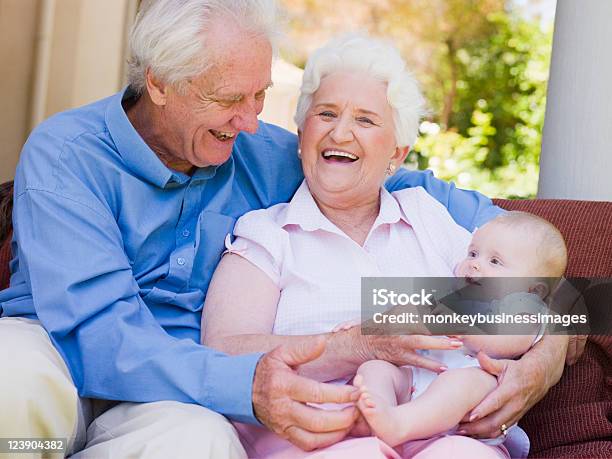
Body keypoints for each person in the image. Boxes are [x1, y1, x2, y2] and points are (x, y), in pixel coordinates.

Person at [0, 1, 518, 457]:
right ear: (158, 82)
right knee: (12, 389)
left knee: (197, 443)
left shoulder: (264, 153)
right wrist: (250, 383)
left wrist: (551, 347)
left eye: (260, 96)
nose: (250, 122)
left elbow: (388, 175)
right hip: (60, 364)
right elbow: (99, 335)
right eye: (230, 99)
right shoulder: (66, 155)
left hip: (170, 399)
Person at [201, 34, 572, 458]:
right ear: (302, 135)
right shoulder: (267, 234)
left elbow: (540, 287)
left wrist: (544, 358)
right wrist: (356, 344)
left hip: (445, 430)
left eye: (365, 120)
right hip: (319, 435)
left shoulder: (428, 215)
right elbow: (223, 353)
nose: (340, 132)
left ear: (397, 153)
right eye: (326, 114)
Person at [352, 211, 568, 453]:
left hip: (470, 396)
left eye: (495, 261)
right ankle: (377, 414)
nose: (474, 263)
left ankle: (398, 425)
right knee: (376, 370)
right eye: (473, 253)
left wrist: (469, 331)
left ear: (533, 289)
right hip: (419, 381)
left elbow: (510, 341)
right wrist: (367, 324)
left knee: (463, 382)